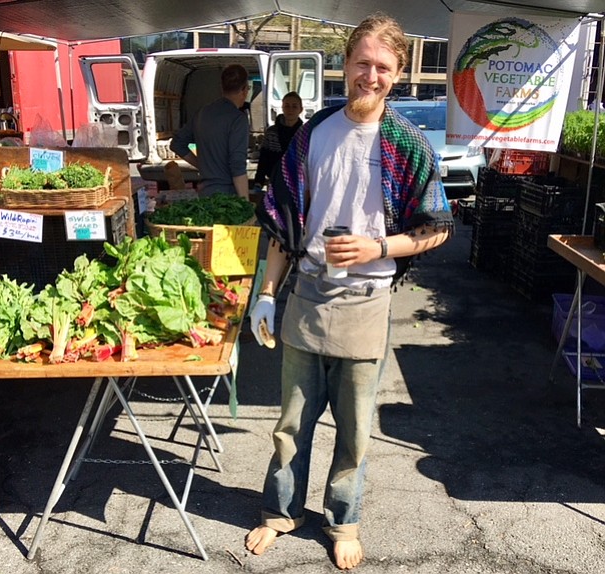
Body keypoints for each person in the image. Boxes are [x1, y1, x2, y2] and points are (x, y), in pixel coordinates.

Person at [245, 12, 454, 571]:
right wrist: (266, 293)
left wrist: (377, 247)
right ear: (344, 65)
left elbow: (436, 228)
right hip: (307, 295)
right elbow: (284, 225)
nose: (371, 75)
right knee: (291, 422)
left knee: (355, 430)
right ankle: (279, 512)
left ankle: (343, 520)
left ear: (399, 73)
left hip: (367, 302)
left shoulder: (408, 145)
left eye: (383, 66)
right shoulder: (314, 132)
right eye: (362, 62)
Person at [170, 64, 250, 199]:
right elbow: (237, 165)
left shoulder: (202, 113)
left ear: (221, 88)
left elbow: (177, 144)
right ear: (245, 90)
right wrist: (246, 203)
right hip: (228, 198)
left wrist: (203, 166)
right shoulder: (238, 119)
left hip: (205, 193)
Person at [253, 91, 304, 191]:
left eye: (294, 106)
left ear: (301, 109)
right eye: (287, 106)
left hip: (297, 184)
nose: (290, 109)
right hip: (274, 181)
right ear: (282, 107)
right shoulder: (272, 132)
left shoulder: (304, 133)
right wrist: (259, 181)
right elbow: (264, 158)